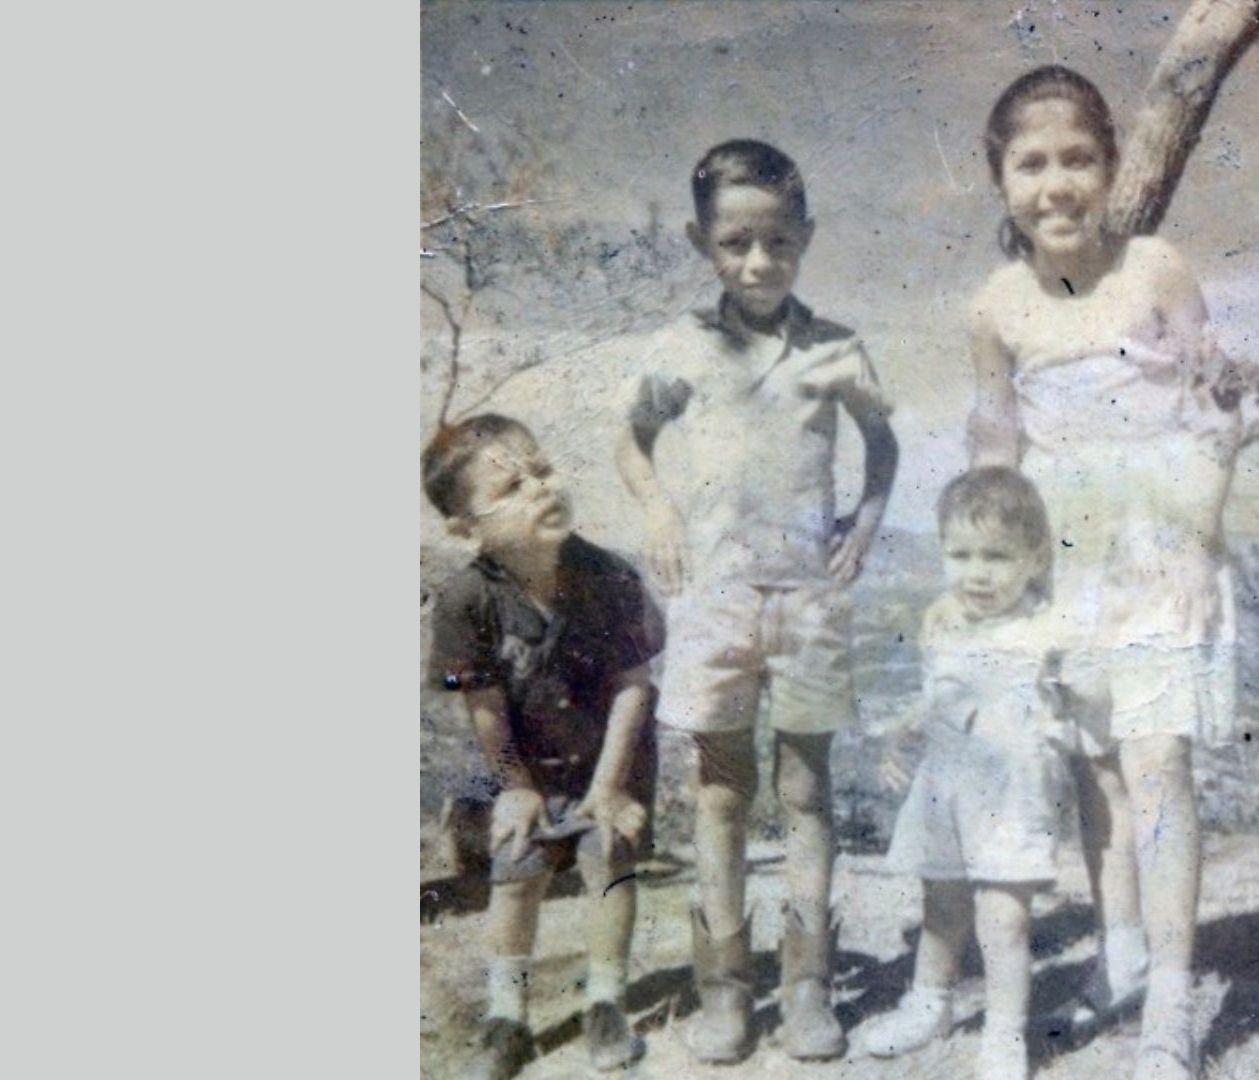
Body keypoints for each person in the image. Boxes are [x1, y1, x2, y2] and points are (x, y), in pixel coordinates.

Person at [965, 65, 1245, 1080]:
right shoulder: (996, 307)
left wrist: (1198, 543)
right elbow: (997, 433)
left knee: (1159, 760)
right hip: (1067, 562)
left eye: (1077, 158)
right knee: (1097, 770)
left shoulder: (1156, 269)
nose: (1056, 184)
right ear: (1000, 180)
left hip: (1161, 547)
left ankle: (1171, 999)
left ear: (1113, 165)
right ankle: (1118, 955)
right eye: (1031, 164)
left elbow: (1218, 407)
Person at [614, 138, 899, 1063]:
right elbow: (631, 439)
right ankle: (725, 990)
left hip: (808, 601)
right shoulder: (679, 348)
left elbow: (881, 443)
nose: (758, 262)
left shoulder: (837, 347)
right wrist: (657, 507)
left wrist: (867, 516)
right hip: (716, 601)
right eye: (736, 243)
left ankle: (808, 986)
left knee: (807, 790)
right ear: (704, 244)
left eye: (777, 241)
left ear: (805, 236)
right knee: (721, 796)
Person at [424, 414, 665, 1079]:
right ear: (466, 528)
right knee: (516, 866)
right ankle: (508, 1014)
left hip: (611, 761)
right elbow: (484, 707)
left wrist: (611, 787)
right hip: (523, 766)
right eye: (510, 490)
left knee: (608, 858)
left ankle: (608, 1001)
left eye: (544, 470)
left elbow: (634, 687)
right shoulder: (464, 599)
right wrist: (517, 788)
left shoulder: (610, 576)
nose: (539, 490)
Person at [852, 468, 1094, 1080]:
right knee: (941, 903)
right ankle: (929, 1003)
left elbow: (1084, 692)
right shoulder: (945, 622)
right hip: (946, 789)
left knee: (1004, 915)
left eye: (996, 556)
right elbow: (941, 697)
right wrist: (902, 736)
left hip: (1015, 796)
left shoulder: (1046, 628)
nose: (976, 573)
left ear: (1035, 558)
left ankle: (1004, 1034)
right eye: (960, 556)